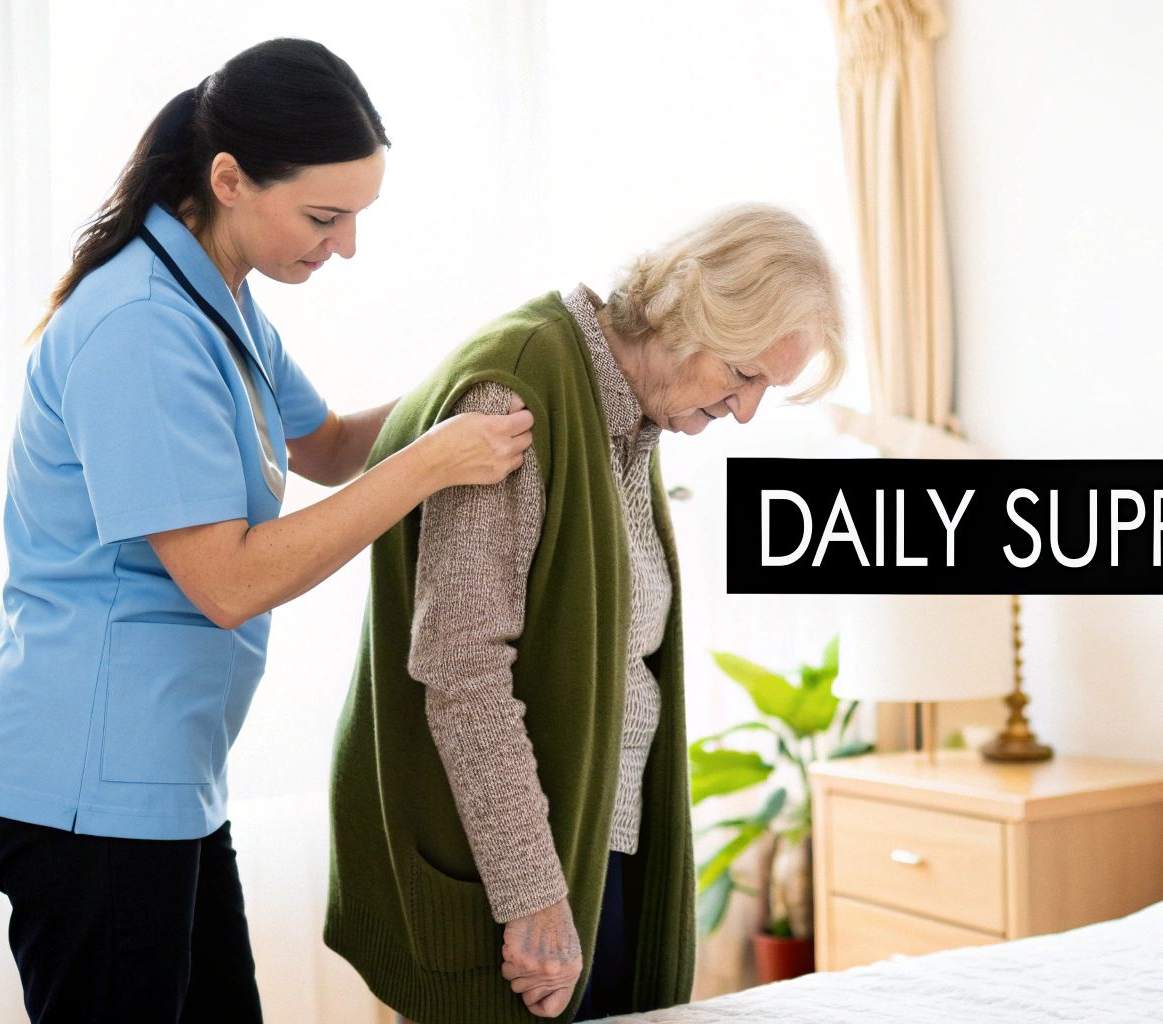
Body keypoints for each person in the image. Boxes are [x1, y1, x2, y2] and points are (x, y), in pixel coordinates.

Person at [0, 38, 532, 1023]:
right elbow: (228, 582)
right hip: (86, 790)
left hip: (162, 780)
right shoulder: (138, 323)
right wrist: (432, 463)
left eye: (355, 218)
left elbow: (332, 443)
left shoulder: (217, 299)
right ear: (228, 179)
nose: (343, 246)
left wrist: (482, 379)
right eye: (322, 216)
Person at [325, 204, 846, 1024]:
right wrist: (533, 898)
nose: (745, 412)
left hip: (595, 844)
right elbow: (462, 668)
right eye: (743, 376)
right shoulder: (520, 390)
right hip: (525, 871)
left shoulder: (627, 414)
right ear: (690, 311)